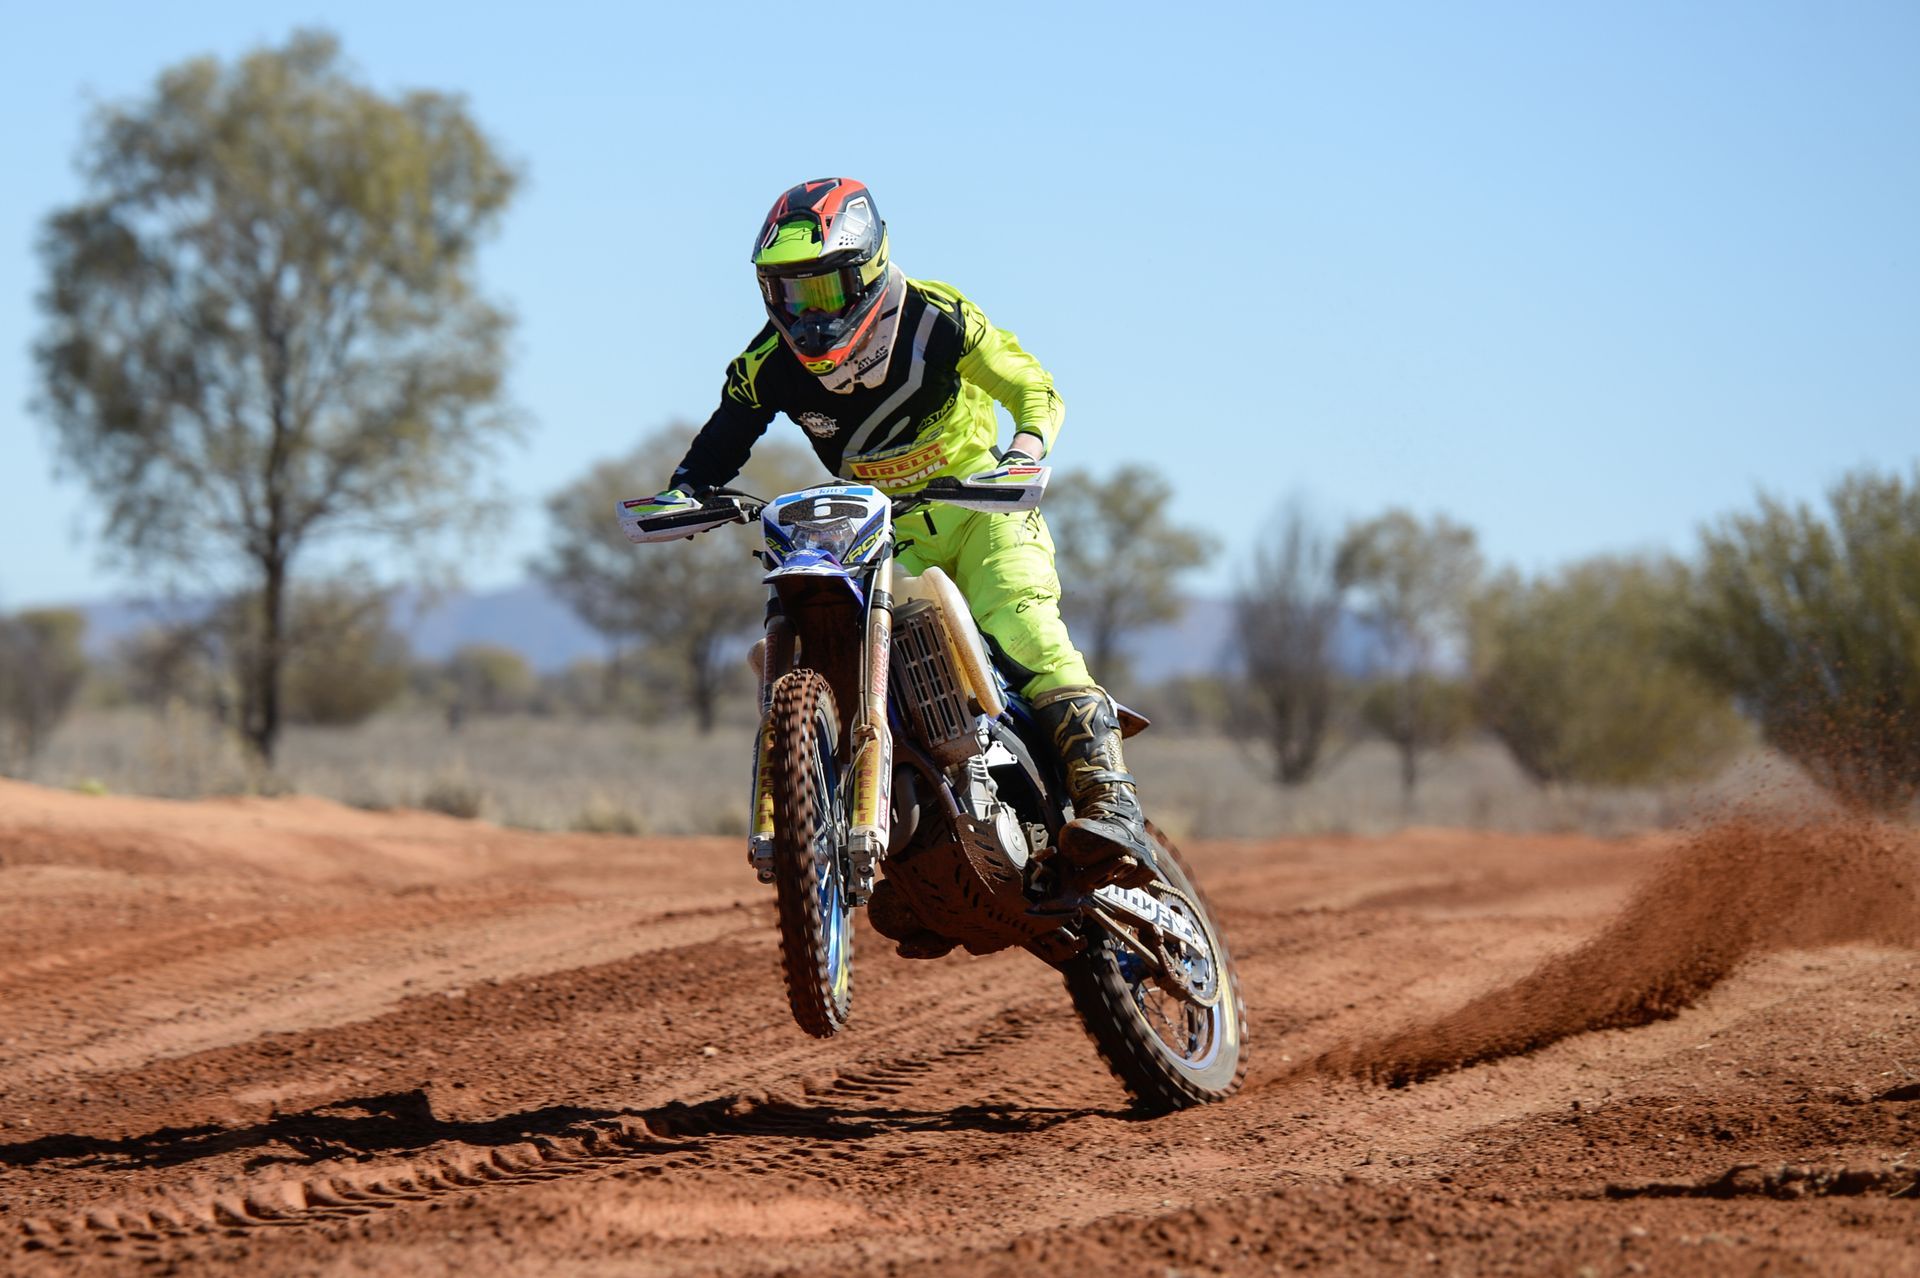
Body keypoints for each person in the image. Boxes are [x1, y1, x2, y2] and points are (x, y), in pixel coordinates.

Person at [656, 177, 1156, 889]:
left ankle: (1112, 802)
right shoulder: (767, 364)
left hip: (982, 507)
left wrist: (1027, 447)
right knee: (851, 659)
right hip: (887, 530)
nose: (806, 313)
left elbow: (1030, 384)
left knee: (1022, 625)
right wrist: (686, 492)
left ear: (865, 272)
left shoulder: (935, 317)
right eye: (788, 293)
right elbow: (720, 441)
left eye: (823, 291)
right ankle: (921, 865)